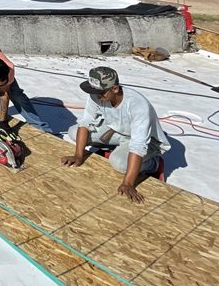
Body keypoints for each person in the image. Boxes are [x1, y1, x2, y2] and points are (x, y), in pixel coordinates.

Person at [61, 66, 171, 203]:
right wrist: (78, 155)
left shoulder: (137, 105)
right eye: (94, 92)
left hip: (147, 141)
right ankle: (118, 149)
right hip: (117, 130)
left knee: (119, 163)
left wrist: (128, 183)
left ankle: (153, 163)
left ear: (115, 89)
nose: (98, 97)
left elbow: (138, 145)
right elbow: (85, 122)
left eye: (101, 93)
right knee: (74, 131)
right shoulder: (97, 95)